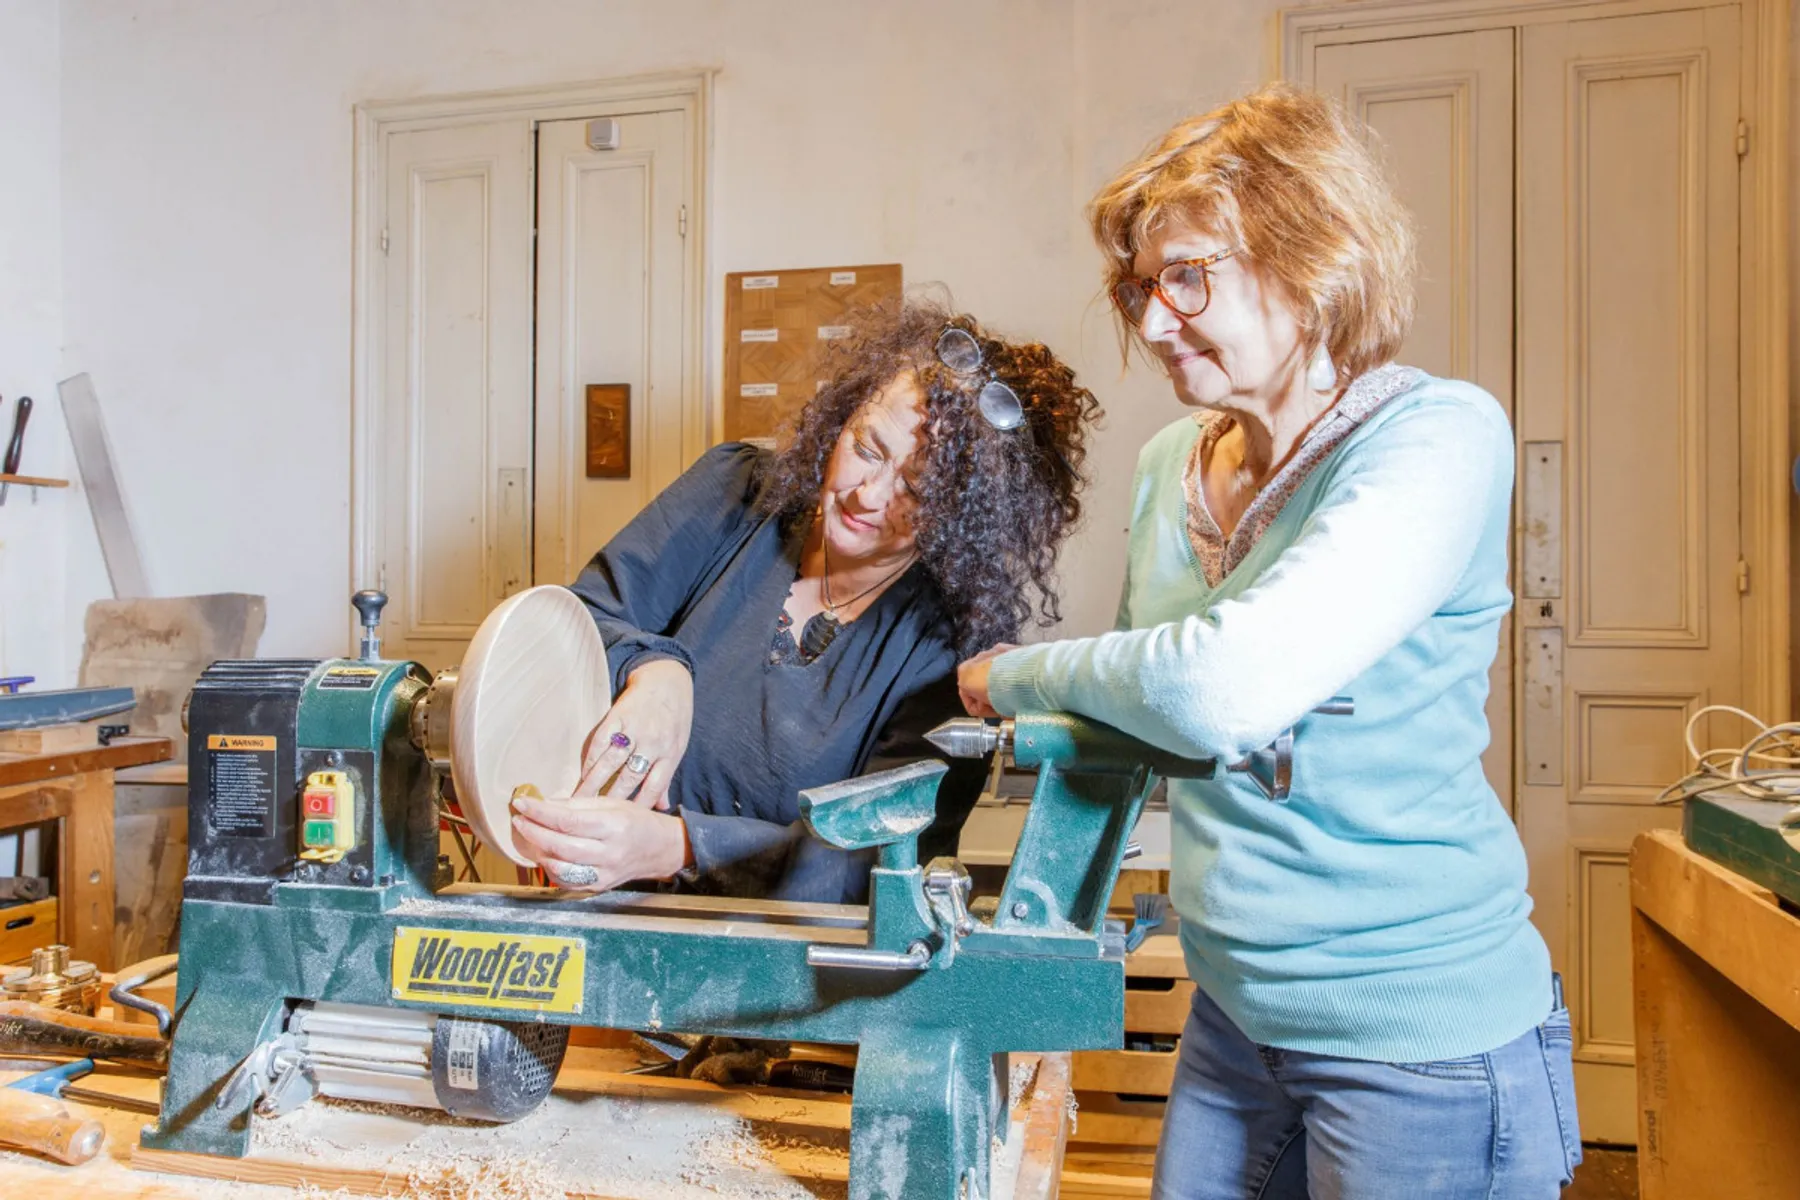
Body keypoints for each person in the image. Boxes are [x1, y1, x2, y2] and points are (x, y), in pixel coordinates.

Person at [957, 85, 1581, 1198]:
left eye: (1188, 277)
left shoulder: (1436, 439)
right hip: (1238, 1022)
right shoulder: (1169, 466)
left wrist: (1014, 673)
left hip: (1417, 1041)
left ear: (1312, 258)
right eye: (1140, 288)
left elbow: (1214, 690)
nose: (1152, 323)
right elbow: (1144, 704)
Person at [509, 298, 1101, 904]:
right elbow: (574, 625)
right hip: (590, 905)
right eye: (867, 448)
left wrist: (676, 847)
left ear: (966, 520)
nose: (867, 494)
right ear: (841, 419)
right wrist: (656, 670)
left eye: (916, 490)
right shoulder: (736, 492)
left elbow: (873, 863)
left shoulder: (949, 658)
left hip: (772, 963)